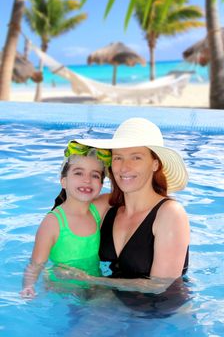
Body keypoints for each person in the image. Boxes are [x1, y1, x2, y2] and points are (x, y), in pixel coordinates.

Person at [58, 117, 190, 294]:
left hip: (157, 313)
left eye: (136, 157)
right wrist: (80, 166)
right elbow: (62, 220)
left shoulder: (170, 214)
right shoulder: (107, 207)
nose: (124, 167)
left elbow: (161, 287)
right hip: (108, 302)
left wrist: (90, 280)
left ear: (155, 164)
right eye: (118, 158)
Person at [20, 140, 111, 299]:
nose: (87, 180)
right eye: (78, 173)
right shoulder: (53, 222)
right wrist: (29, 286)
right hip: (63, 287)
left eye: (95, 175)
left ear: (101, 184)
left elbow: (123, 192)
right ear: (63, 181)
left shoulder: (97, 210)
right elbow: (37, 263)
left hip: (93, 283)